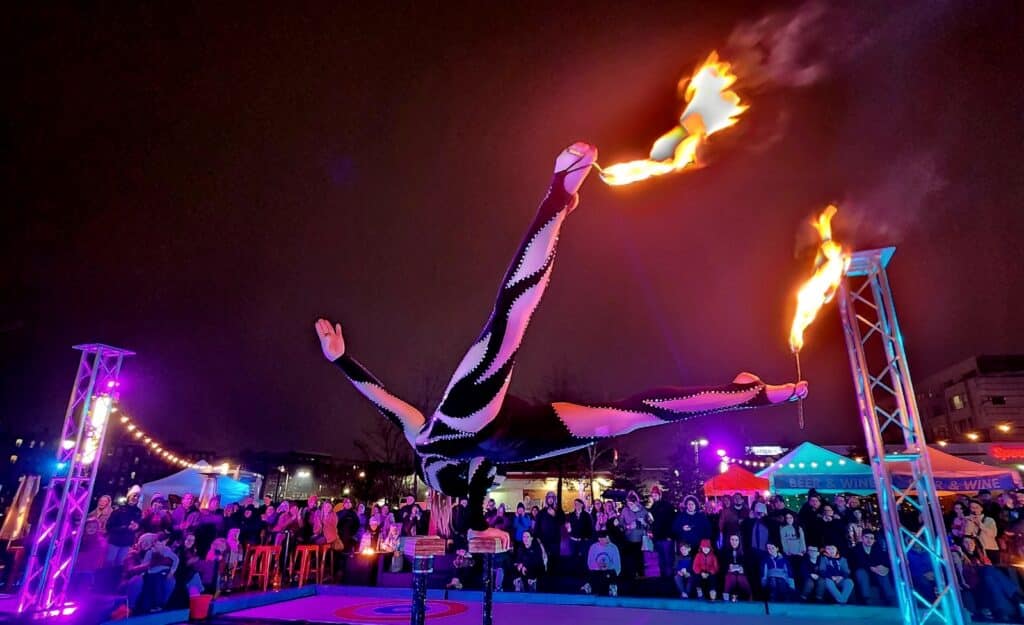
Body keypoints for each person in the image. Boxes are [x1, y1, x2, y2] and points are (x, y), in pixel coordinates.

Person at [315, 144, 808, 531]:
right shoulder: (438, 455)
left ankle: (559, 193)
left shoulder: (422, 437)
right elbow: (390, 408)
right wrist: (340, 362)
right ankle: (749, 393)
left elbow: (381, 399)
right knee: (619, 420)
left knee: (509, 325)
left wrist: (341, 362)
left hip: (475, 424)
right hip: (508, 440)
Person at [850, 531, 896, 606]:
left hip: (875, 572)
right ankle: (866, 598)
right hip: (862, 572)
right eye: (866, 537)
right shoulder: (856, 549)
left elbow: (884, 561)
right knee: (861, 572)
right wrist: (871, 568)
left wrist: (885, 568)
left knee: (883, 572)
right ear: (862, 538)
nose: (869, 540)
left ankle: (890, 597)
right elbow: (858, 563)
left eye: (871, 538)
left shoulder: (877, 549)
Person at [106, 488, 142, 566]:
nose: (136, 498)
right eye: (134, 495)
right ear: (129, 496)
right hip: (115, 541)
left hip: (127, 542)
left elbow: (139, 524)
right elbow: (109, 526)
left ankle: (115, 577)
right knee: (109, 562)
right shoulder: (118, 509)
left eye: (138, 497)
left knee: (120, 563)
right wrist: (125, 527)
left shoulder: (138, 511)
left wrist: (137, 526)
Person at [648, 486, 676, 578]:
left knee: (668, 560)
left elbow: (672, 520)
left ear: (660, 495)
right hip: (657, 538)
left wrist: (670, 535)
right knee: (661, 560)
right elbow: (651, 521)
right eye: (653, 495)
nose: (654, 496)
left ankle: (669, 581)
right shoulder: (653, 507)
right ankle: (663, 580)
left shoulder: (667, 505)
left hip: (666, 538)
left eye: (655, 494)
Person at [582, 531, 621, 597]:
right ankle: (588, 587)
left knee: (610, 574)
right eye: (602, 538)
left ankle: (613, 588)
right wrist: (598, 567)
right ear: (598, 539)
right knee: (592, 573)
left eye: (606, 538)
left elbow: (617, 564)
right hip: (597, 571)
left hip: (609, 571)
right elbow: (590, 562)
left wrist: (607, 568)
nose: (604, 540)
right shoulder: (593, 547)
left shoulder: (613, 547)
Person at [672, 496, 710, 564]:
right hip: (685, 546)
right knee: (686, 563)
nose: (691, 506)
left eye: (692, 504)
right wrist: (682, 528)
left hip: (698, 545)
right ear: (686, 505)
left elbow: (707, 529)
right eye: (689, 504)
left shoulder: (701, 516)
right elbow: (674, 528)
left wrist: (704, 542)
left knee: (697, 562)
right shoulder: (681, 516)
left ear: (695, 505)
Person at [534, 492, 564, 575]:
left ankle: (555, 579)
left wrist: (555, 515)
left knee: (555, 560)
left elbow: (562, 522)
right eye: (549, 497)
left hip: (555, 541)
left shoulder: (558, 511)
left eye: (552, 497)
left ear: (554, 499)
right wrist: (538, 540)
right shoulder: (541, 512)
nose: (550, 499)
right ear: (546, 499)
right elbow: (537, 527)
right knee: (545, 560)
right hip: (544, 541)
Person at [964, 499, 999, 564]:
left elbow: (993, 534)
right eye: (972, 507)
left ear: (981, 508)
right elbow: (967, 534)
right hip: (976, 549)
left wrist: (980, 524)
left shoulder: (989, 520)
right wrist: (970, 522)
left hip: (989, 548)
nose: (974, 509)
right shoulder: (967, 520)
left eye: (976, 507)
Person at [566, 498, 593, 575]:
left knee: (583, 557)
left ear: (582, 505)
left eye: (577, 503)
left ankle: (583, 573)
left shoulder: (586, 515)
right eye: (575, 504)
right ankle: (574, 573)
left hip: (583, 541)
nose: (576, 505)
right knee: (573, 557)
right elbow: (568, 527)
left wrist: (587, 538)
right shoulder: (570, 515)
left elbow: (590, 528)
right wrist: (568, 529)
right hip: (573, 540)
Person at [721, 534, 751, 602]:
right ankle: (726, 599)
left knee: (741, 579)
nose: (734, 542)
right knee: (731, 578)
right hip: (729, 574)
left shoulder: (744, 552)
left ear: (739, 541)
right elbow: (722, 566)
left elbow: (748, 566)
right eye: (732, 540)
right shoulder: (724, 552)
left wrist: (743, 569)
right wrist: (728, 568)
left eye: (736, 540)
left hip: (741, 574)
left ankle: (748, 599)